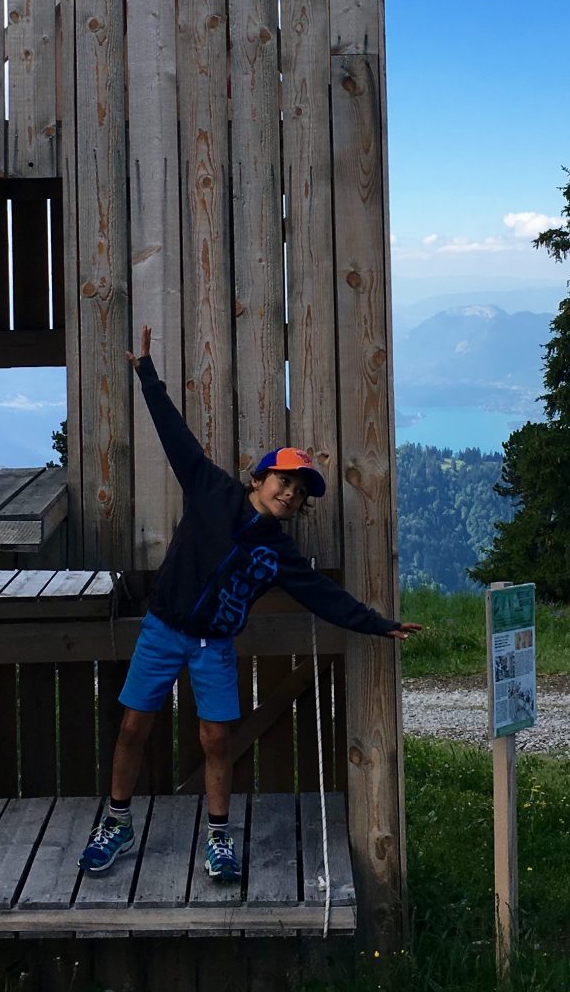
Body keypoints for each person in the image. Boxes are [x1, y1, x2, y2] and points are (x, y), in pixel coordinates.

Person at [78, 325, 423, 881]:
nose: (291, 493)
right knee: (133, 728)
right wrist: (147, 373)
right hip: (162, 630)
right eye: (285, 480)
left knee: (216, 739)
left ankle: (218, 837)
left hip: (214, 646)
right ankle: (116, 823)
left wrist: (376, 624)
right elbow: (175, 436)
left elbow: (323, 596)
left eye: (301, 490)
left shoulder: (281, 552)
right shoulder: (211, 489)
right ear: (260, 477)